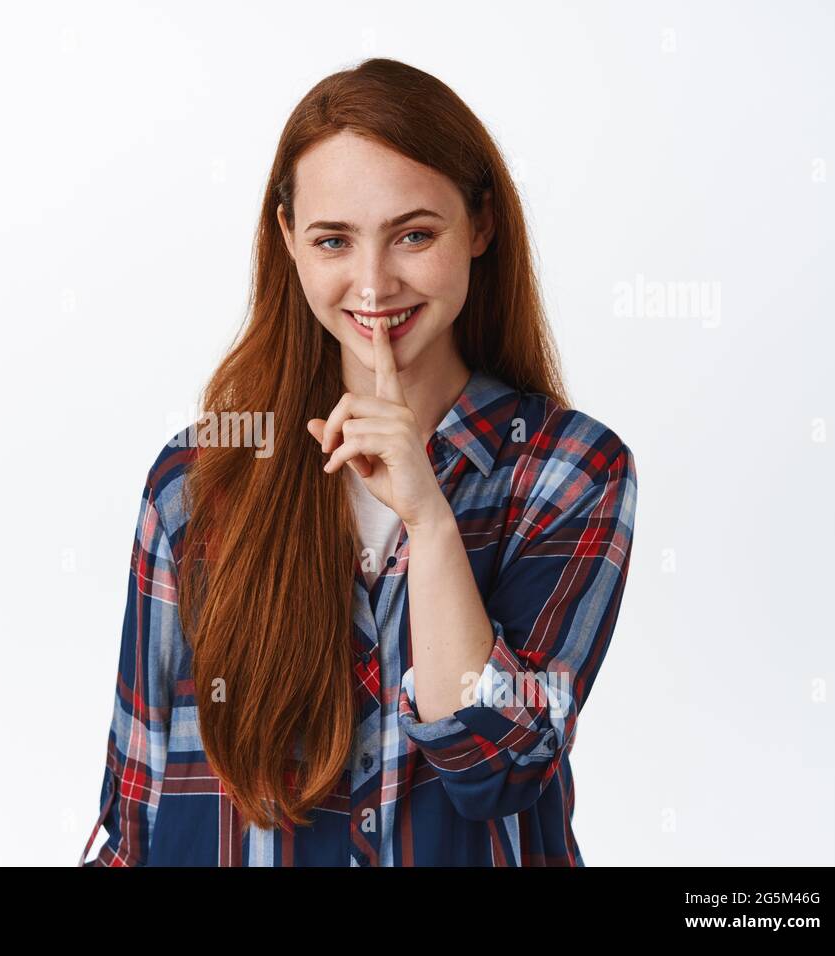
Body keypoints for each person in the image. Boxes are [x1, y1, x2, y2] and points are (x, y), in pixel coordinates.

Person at [79, 57, 637, 866]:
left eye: (415, 234)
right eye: (334, 240)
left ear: (480, 226)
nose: (373, 284)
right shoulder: (196, 481)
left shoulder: (570, 470)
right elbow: (135, 814)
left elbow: (500, 766)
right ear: (289, 244)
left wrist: (429, 520)